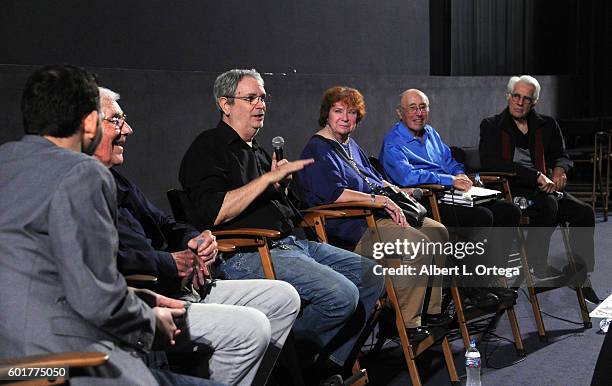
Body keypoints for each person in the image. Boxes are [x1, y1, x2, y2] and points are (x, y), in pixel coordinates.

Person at [0, 64, 215, 386]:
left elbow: (40, 273)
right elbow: (94, 297)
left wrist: (139, 297)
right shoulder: (82, 172)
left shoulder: (7, 162)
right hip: (62, 362)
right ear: (89, 122)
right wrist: (150, 321)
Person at [179, 69, 385, 376]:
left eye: (262, 98)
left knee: (372, 275)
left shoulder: (258, 150)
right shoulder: (207, 147)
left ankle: (320, 367)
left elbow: (275, 200)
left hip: (291, 243)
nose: (260, 105)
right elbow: (215, 212)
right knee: (341, 295)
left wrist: (281, 185)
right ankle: (283, 368)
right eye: (250, 98)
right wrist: (267, 180)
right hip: (247, 252)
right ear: (225, 104)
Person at [93, 87, 301, 385]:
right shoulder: (207, 148)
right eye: (116, 120)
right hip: (158, 294)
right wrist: (171, 262)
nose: (128, 128)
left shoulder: (115, 178)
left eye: (263, 98)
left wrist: (196, 239)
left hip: (191, 279)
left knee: (284, 298)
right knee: (255, 327)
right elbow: (106, 261)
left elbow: (166, 223)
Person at [296, 86, 449, 339]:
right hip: (351, 229)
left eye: (352, 113)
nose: (345, 118)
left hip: (376, 217)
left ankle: (430, 311)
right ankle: (402, 322)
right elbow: (335, 194)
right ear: (327, 114)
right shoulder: (317, 149)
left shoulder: (350, 144)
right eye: (339, 111)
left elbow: (373, 178)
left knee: (438, 233)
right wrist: (378, 200)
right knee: (417, 245)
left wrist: (396, 191)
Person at [380, 88, 521, 304]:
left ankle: (490, 277)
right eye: (412, 108)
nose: (418, 113)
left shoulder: (432, 134)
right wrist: (448, 180)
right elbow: (406, 177)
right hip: (424, 202)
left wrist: (459, 173)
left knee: (509, 211)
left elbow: (449, 161)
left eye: (423, 107)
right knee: (482, 217)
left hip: (452, 195)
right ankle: (471, 286)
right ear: (400, 113)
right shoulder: (393, 142)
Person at [479, 75, 599, 303]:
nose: (520, 102)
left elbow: (561, 156)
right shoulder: (492, 125)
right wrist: (534, 176)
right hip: (512, 189)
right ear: (508, 96)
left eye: (526, 98)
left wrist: (560, 170)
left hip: (545, 188)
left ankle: (582, 276)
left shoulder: (547, 124)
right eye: (516, 96)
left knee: (584, 212)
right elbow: (492, 163)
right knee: (548, 204)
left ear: (534, 102)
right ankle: (536, 263)